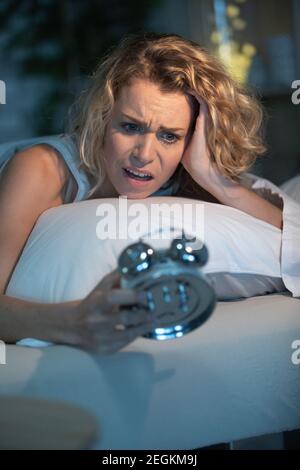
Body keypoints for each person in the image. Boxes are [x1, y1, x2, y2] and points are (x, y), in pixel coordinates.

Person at [0, 32, 285, 355]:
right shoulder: (40, 170)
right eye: (131, 127)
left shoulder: (186, 172)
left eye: (168, 135)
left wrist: (212, 177)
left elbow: (288, 242)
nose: (145, 154)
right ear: (103, 117)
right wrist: (74, 322)